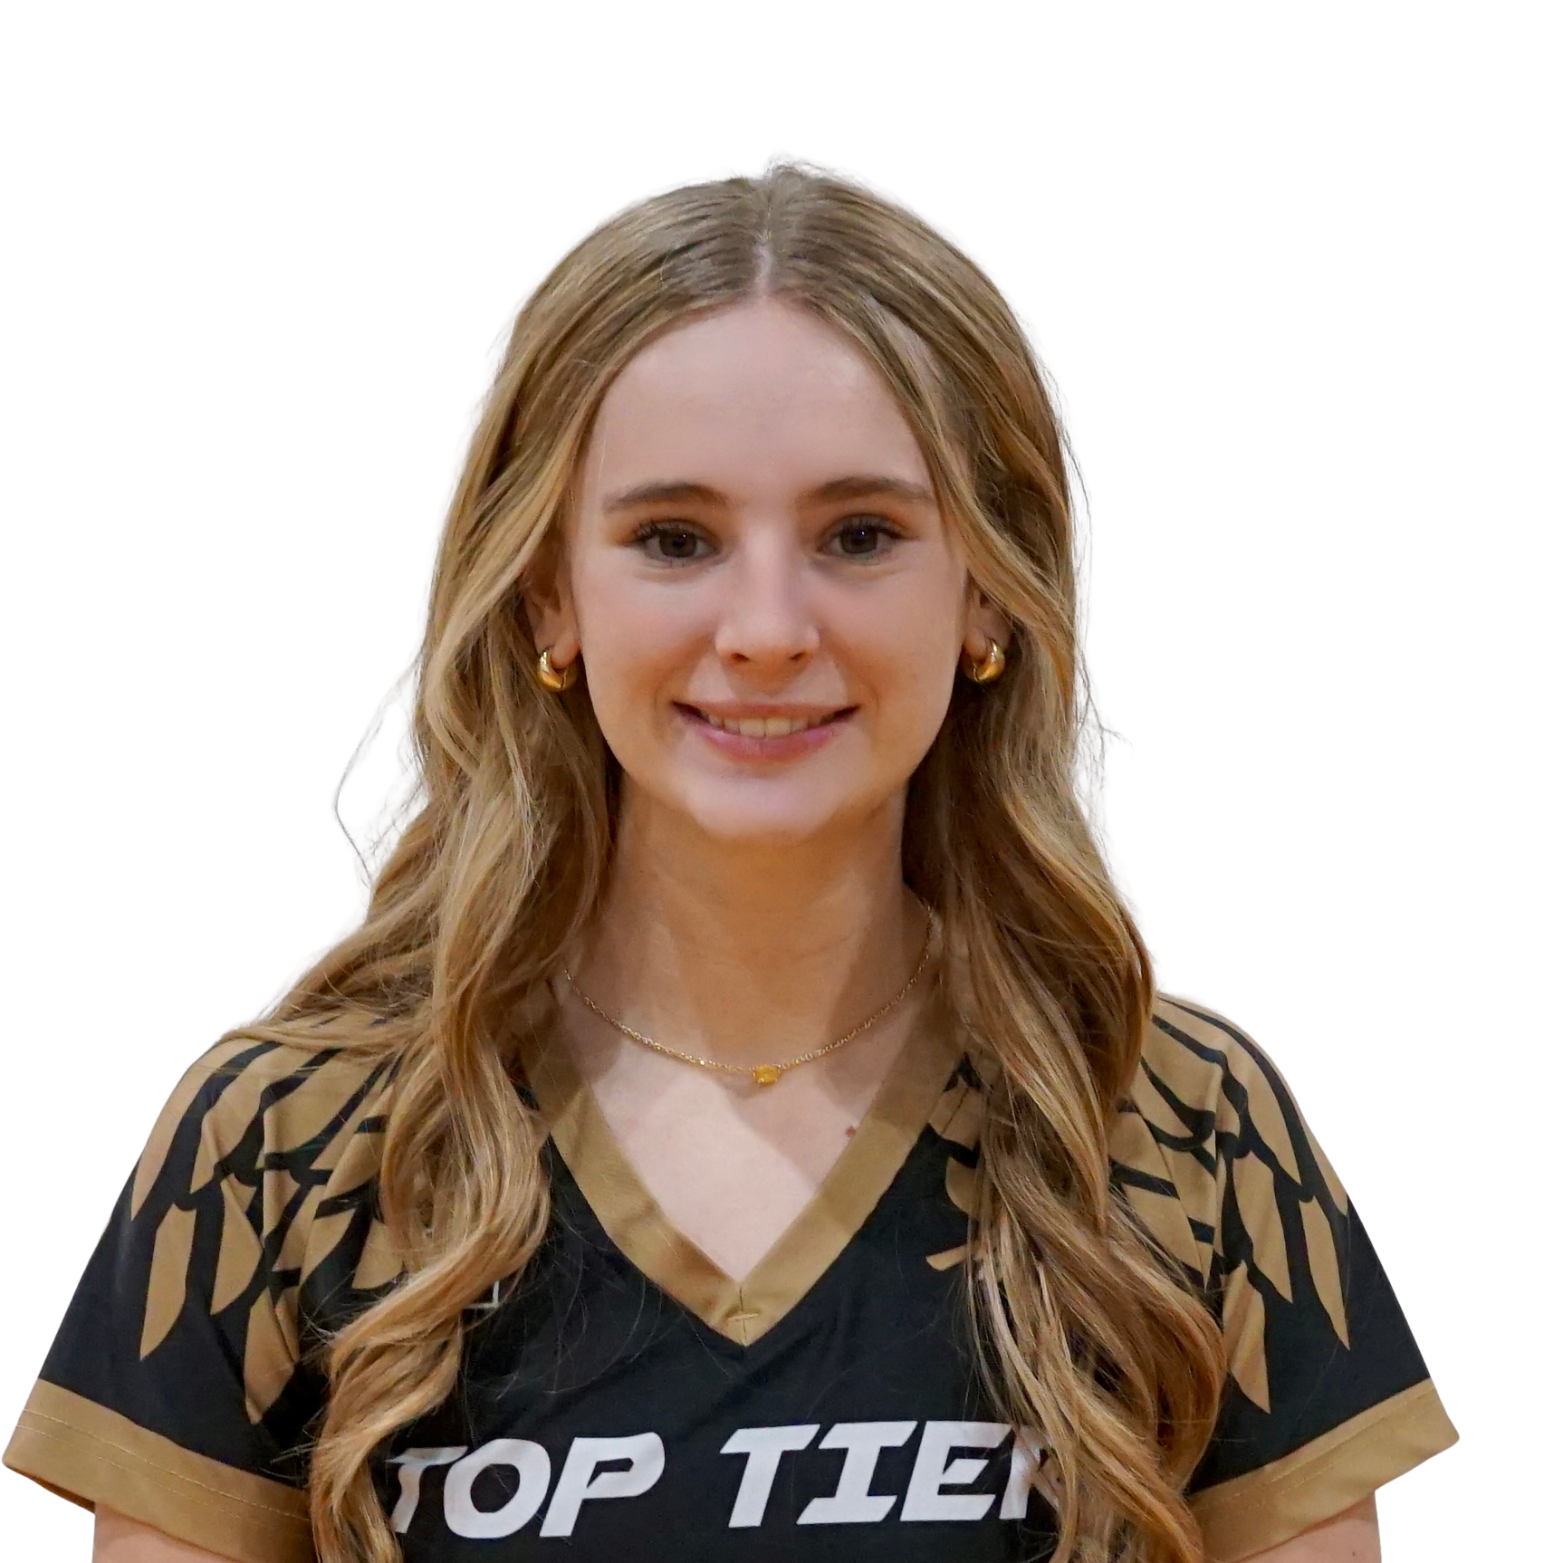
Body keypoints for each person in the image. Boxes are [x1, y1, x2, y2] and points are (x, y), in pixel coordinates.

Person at [4, 161, 1455, 1563]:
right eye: (676, 537)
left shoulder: (1182, 1129)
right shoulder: (283, 1144)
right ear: (546, 599)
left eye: (861, 532)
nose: (765, 623)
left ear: (989, 598)